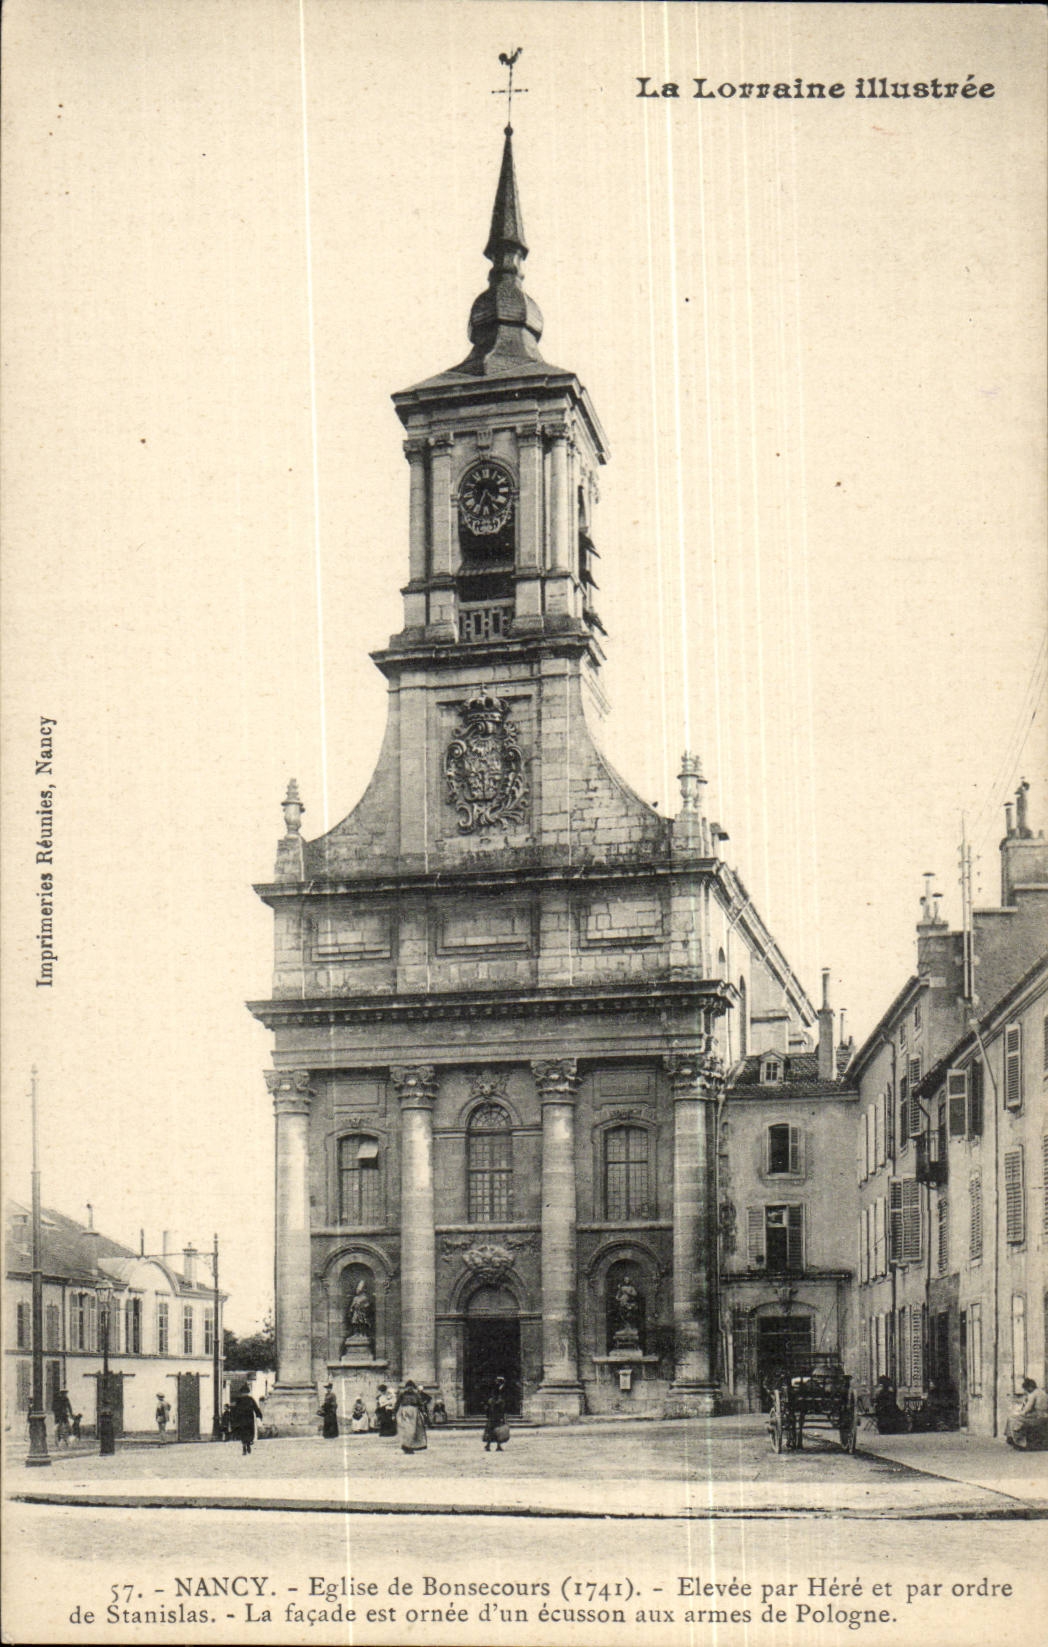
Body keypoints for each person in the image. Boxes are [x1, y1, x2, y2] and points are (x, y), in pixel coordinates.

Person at [1005, 1377, 1048, 1449]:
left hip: (1037, 1417)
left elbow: (1027, 1410)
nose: (1026, 1391)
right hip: (1045, 1416)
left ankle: (1018, 1441)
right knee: (1014, 1418)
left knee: (1012, 1419)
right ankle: (1012, 1438)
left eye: (1026, 1389)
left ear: (1030, 1387)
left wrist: (1019, 1413)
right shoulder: (1042, 1392)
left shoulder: (1033, 1394)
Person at [228, 1383, 264, 1455]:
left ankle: (244, 1445)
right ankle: (248, 1444)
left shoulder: (239, 1400)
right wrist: (259, 1415)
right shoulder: (250, 1399)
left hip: (241, 1419)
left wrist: (234, 1418)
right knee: (250, 1431)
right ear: (248, 1392)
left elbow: (235, 1410)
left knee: (243, 1432)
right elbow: (256, 1408)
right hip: (249, 1418)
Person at [393, 1380, 428, 1453]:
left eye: (411, 1387)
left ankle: (412, 1446)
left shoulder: (416, 1394)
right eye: (408, 1387)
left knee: (414, 1430)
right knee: (407, 1430)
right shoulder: (402, 1394)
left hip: (414, 1412)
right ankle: (406, 1446)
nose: (410, 1389)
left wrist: (423, 1411)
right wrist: (394, 1413)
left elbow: (420, 1403)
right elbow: (397, 1403)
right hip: (404, 1412)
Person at [483, 1376, 507, 1453]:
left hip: (492, 1416)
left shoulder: (491, 1399)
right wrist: (502, 1417)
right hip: (496, 1416)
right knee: (497, 1431)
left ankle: (489, 1445)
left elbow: (487, 1408)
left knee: (491, 1431)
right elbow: (501, 1409)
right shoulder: (499, 1399)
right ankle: (495, 1446)